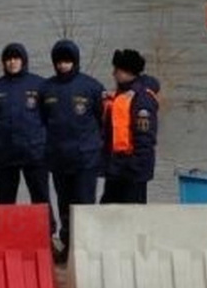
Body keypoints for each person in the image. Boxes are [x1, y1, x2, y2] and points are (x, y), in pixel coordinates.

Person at [38, 39, 105, 262]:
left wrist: (98, 152)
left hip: (86, 158)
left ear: (75, 61)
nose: (63, 66)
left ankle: (87, 250)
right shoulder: (46, 89)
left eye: (67, 61)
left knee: (85, 204)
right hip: (58, 159)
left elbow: (102, 120)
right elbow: (41, 120)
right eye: (59, 62)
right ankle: (67, 246)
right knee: (64, 205)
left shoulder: (92, 87)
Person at [0, 43, 53, 226]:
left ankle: (46, 235)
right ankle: (3, 237)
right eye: (8, 59)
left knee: (41, 199)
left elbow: (51, 120)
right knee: (5, 200)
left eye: (16, 58)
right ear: (3, 62)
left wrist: (51, 149)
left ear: (23, 61)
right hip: (4, 155)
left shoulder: (40, 85)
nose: (12, 62)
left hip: (35, 153)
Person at [101, 49, 160, 205]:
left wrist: (135, 166)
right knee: (108, 212)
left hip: (133, 170)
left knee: (133, 216)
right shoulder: (119, 95)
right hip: (116, 168)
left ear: (127, 72)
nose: (113, 74)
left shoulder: (142, 99)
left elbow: (145, 137)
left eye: (117, 70)